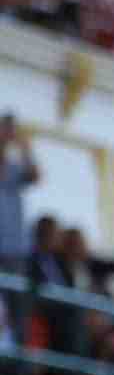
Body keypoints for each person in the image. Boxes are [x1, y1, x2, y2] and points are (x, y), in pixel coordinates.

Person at [0, 111, 39, 275]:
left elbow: (34, 176)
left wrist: (25, 147)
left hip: (15, 247)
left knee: (15, 293)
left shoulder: (14, 167)